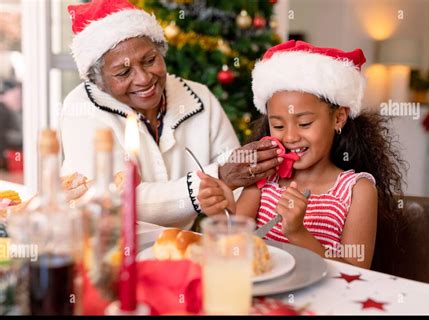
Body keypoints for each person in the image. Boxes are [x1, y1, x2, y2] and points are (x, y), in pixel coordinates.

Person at [60, 0, 281, 229]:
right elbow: (114, 201)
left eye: (150, 60)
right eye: (123, 72)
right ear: (98, 81)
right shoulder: (81, 109)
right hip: (106, 245)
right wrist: (217, 178)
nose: (144, 78)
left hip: (176, 245)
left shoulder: (199, 96)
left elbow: (234, 177)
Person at [198, 40, 405, 268]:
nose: (289, 137)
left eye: (304, 123)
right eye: (278, 126)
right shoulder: (266, 179)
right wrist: (223, 211)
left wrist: (298, 233)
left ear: (338, 118)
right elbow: (235, 245)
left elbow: (356, 270)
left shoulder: (357, 191)